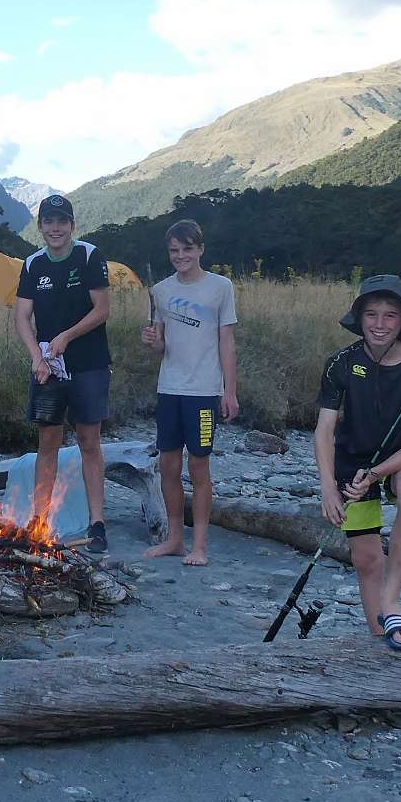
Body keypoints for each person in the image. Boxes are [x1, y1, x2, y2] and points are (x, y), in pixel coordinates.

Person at [315, 275, 401, 652]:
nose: (380, 324)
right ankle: (379, 634)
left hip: (397, 462)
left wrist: (378, 473)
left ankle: (392, 600)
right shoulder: (340, 364)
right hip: (351, 463)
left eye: (390, 315)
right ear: (359, 318)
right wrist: (328, 487)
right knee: (366, 559)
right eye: (371, 314)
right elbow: (324, 430)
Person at [14, 194, 113, 553]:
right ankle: (38, 521)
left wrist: (67, 336)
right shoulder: (33, 264)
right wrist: (36, 358)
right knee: (47, 442)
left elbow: (101, 309)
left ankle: (97, 523)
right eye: (49, 222)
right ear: (40, 226)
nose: (55, 228)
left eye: (61, 222)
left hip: (89, 364)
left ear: (72, 225)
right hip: (48, 368)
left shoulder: (89, 256)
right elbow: (21, 317)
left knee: (89, 441)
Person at [140, 219, 238, 566]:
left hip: (204, 391)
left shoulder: (220, 287)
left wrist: (229, 391)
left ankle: (200, 546)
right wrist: (152, 341)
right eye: (174, 250)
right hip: (169, 388)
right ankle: (174, 540)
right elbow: (160, 345)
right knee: (168, 465)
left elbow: (227, 342)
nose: (180, 256)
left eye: (187, 249)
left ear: (200, 250)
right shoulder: (160, 290)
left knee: (199, 466)